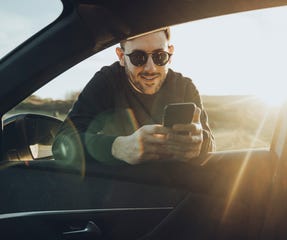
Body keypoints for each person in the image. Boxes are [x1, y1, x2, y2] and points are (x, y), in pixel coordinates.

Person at [52, 27, 215, 165]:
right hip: (120, 186)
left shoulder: (185, 87)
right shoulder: (107, 82)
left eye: (160, 56)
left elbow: (209, 145)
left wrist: (198, 144)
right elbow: (62, 143)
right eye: (139, 57)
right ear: (122, 57)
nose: (150, 68)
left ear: (170, 54)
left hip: (174, 187)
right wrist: (117, 147)